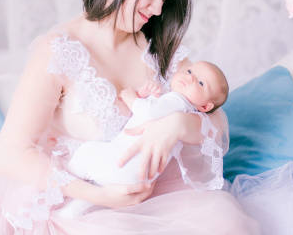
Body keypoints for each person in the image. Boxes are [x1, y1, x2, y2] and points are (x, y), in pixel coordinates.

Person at [0, 0, 262, 235]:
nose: (158, 9)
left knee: (226, 223)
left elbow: (215, 121)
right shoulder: (59, 51)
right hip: (78, 202)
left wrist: (176, 124)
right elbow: (11, 154)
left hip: (152, 194)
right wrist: (101, 197)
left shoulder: (159, 46)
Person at [58, 60, 230, 218]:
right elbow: (153, 114)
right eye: (190, 71)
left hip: (122, 160)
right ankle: (72, 211)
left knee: (86, 152)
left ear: (205, 106)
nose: (190, 78)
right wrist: (148, 97)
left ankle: (64, 180)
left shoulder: (177, 100)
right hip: (138, 177)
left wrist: (131, 97)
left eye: (201, 83)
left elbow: (147, 112)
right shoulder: (184, 111)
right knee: (99, 186)